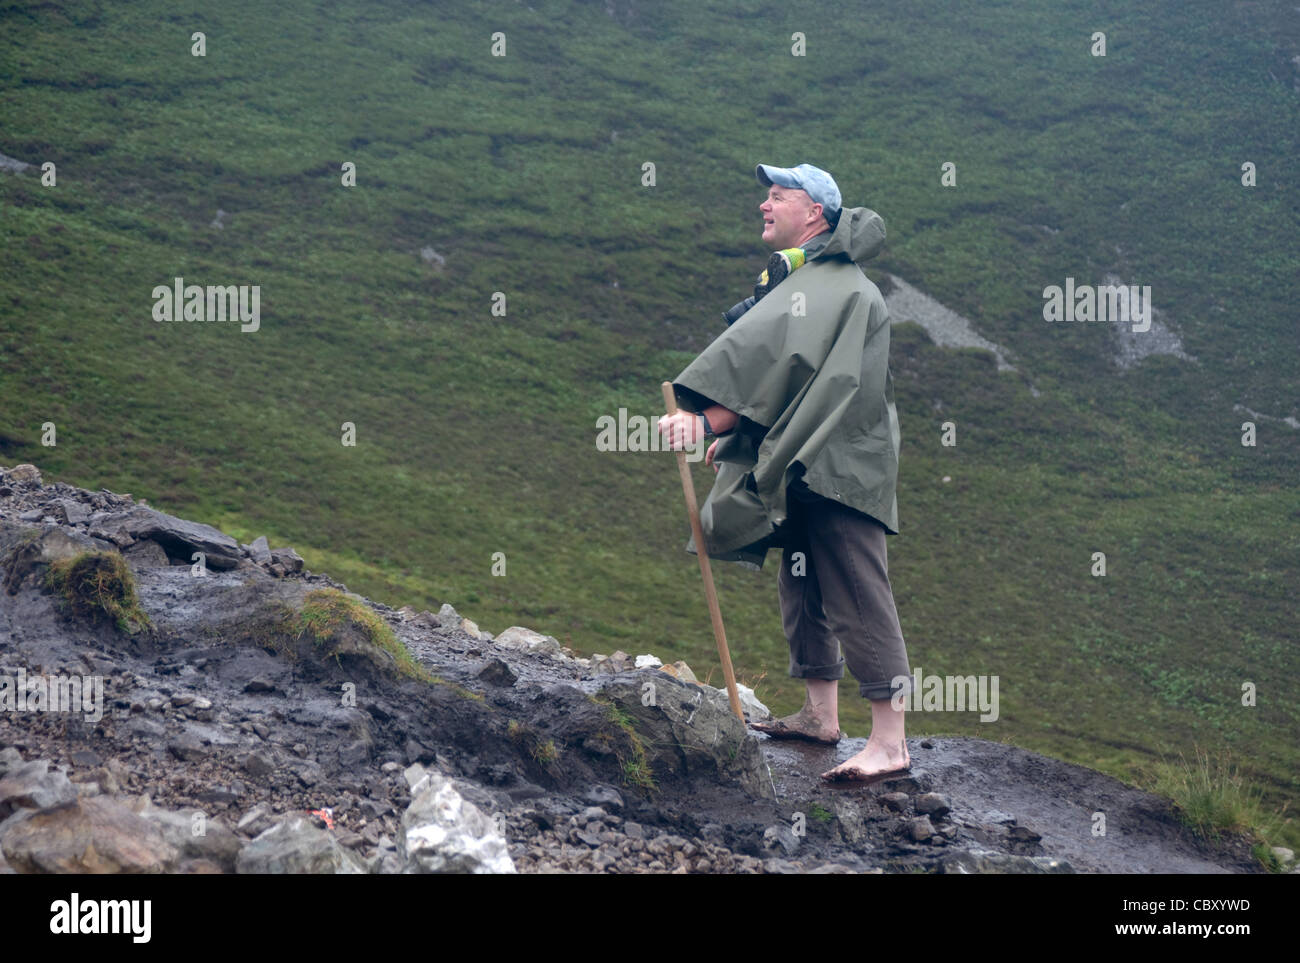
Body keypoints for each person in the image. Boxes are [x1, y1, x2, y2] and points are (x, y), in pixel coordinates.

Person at [657, 162, 912, 784]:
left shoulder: (836, 285)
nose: (764, 206)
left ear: (815, 212)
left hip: (839, 464)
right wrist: (743, 436)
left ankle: (890, 742)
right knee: (803, 585)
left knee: (856, 589)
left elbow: (794, 371)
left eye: (778, 196)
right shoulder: (806, 278)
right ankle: (820, 716)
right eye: (765, 197)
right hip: (806, 459)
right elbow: (791, 381)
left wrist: (710, 421)